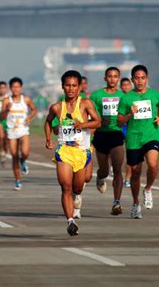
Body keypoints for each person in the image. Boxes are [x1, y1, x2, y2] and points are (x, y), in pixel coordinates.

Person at [45, 70, 100, 236]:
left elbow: (98, 122)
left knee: (78, 186)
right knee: (65, 186)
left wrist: (82, 125)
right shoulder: (56, 107)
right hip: (64, 151)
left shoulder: (85, 104)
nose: (71, 89)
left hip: (82, 151)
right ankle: (70, 221)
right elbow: (48, 122)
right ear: (62, 87)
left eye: (74, 86)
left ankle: (78, 196)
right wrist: (48, 139)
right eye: (68, 85)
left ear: (79, 87)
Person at [117, 65, 159, 219]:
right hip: (133, 138)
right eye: (137, 78)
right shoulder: (126, 99)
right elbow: (119, 121)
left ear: (147, 79)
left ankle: (148, 189)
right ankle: (136, 203)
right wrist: (129, 115)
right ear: (132, 80)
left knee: (152, 163)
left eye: (142, 78)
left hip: (151, 135)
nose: (140, 81)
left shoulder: (155, 94)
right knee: (136, 173)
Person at [90, 67, 125, 215]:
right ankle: (100, 176)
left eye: (115, 76)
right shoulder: (97, 96)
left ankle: (116, 202)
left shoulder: (124, 96)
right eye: (109, 76)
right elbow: (89, 113)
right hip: (101, 135)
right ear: (105, 78)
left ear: (119, 78)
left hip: (116, 134)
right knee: (105, 170)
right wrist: (98, 120)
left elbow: (129, 113)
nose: (112, 79)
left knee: (117, 168)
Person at [0, 77, 37, 191]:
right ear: (10, 88)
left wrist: (29, 117)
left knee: (25, 152)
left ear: (21, 88)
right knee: (14, 155)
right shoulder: (6, 101)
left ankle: (23, 160)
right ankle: (18, 180)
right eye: (13, 87)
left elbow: (34, 109)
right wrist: (6, 110)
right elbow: (1, 117)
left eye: (18, 87)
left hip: (23, 129)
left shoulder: (25, 99)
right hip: (11, 130)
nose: (15, 89)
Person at [120, 77, 132, 188]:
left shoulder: (134, 97)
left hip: (130, 128)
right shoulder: (118, 97)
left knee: (130, 154)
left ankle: (127, 178)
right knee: (117, 152)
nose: (126, 87)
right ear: (121, 87)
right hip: (119, 128)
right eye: (124, 85)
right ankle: (114, 167)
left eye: (128, 85)